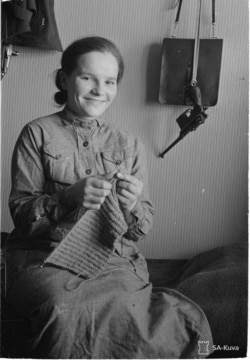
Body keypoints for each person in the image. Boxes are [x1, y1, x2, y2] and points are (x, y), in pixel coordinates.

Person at [5, 36, 212, 359]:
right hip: (45, 258)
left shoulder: (129, 145)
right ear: (65, 79)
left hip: (113, 259)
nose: (99, 90)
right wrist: (68, 197)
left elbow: (140, 228)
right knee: (62, 312)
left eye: (110, 81)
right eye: (87, 77)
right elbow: (21, 213)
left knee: (158, 321)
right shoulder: (37, 133)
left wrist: (131, 206)